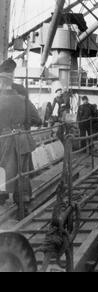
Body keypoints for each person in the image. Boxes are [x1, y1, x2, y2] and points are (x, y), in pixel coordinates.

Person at [0, 59, 42, 214]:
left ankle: (3, 196)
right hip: (22, 139)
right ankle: (23, 204)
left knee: (4, 170)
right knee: (21, 172)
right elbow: (36, 119)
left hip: (3, 140)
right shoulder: (22, 95)